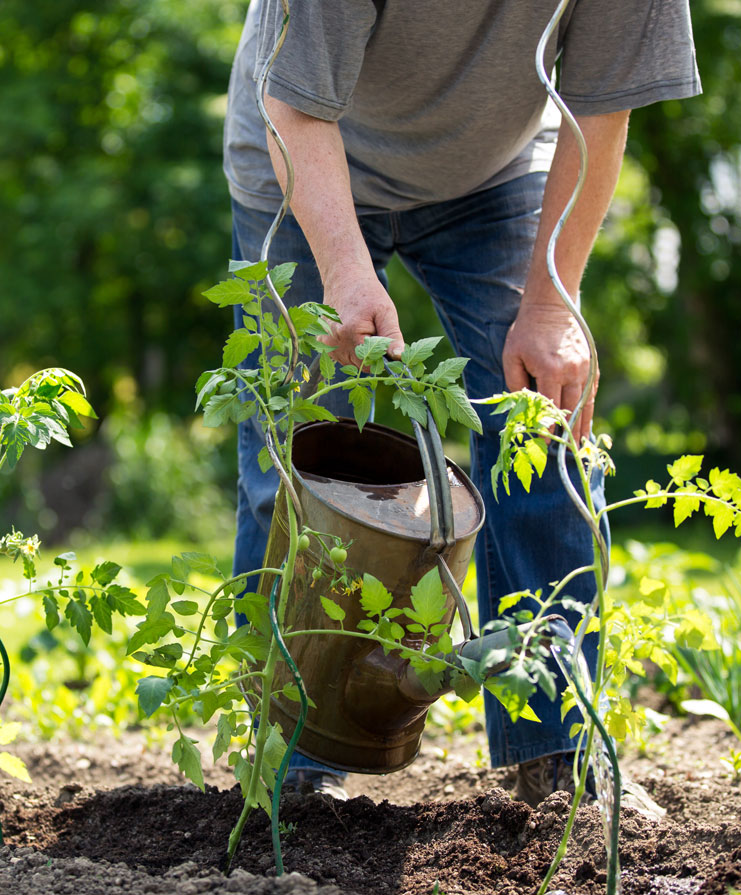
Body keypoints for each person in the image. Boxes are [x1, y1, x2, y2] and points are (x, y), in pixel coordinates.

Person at [222, 1, 700, 805]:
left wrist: (551, 304)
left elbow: (600, 108)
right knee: (296, 456)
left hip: (496, 174)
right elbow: (295, 105)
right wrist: (343, 271)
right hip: (305, 159)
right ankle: (296, 761)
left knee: (540, 428)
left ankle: (558, 754)